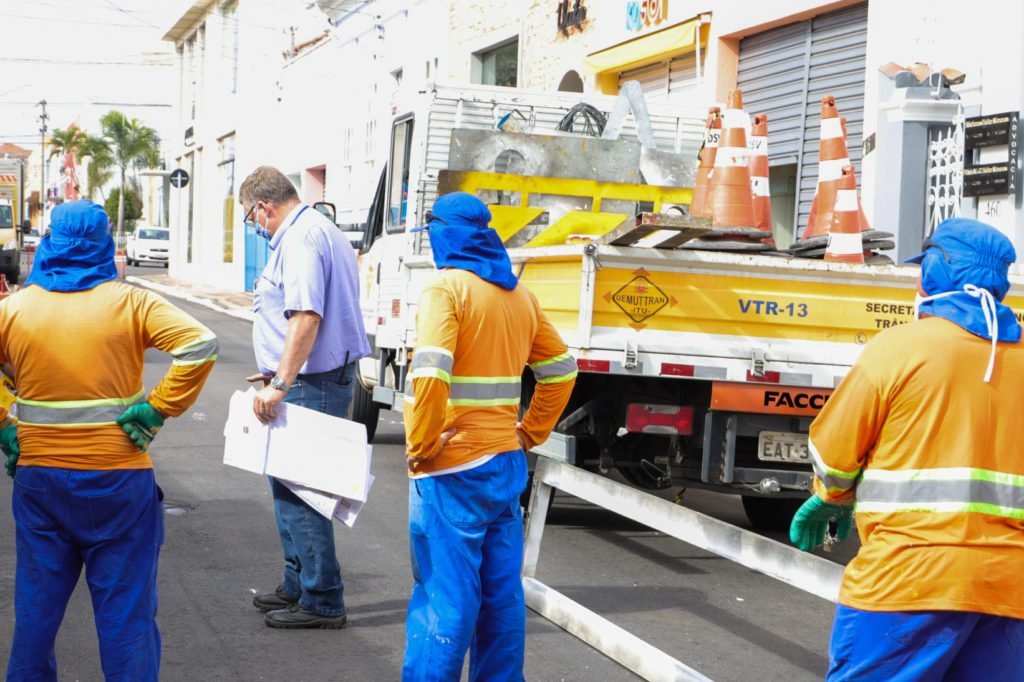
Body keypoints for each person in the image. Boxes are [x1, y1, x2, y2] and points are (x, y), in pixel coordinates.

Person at [789, 217, 1024, 680]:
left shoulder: (898, 349)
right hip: (1009, 589)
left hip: (905, 580)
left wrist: (829, 496)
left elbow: (835, 454)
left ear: (936, 273)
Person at [2, 200, 218, 681]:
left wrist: (3, 424)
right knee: (125, 618)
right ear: (106, 245)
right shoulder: (132, 303)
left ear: (50, 243)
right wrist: (160, 406)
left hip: (40, 480)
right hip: (119, 481)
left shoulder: (14, 309)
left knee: (36, 616)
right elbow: (201, 344)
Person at [402, 192, 577, 680]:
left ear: (444, 236)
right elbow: (562, 372)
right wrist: (529, 432)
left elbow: (431, 373)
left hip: (452, 465)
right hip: (505, 461)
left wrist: (420, 446)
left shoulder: (447, 289)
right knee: (502, 598)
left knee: (446, 598)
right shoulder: (519, 295)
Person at [239, 165, 371, 629]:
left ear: (264, 207)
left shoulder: (300, 240)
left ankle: (321, 598)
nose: (254, 226)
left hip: (309, 381)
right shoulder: (316, 230)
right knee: (286, 484)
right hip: (305, 376)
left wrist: (280, 381)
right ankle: (298, 583)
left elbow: (307, 317)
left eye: (250, 217)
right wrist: (277, 370)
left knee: (303, 492)